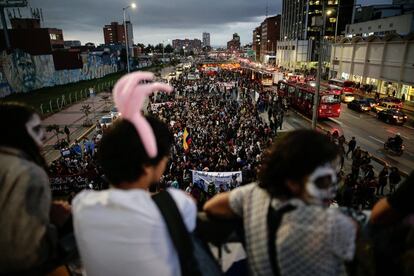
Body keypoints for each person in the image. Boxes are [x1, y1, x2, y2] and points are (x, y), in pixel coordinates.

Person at [72, 72, 196, 276]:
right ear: (147, 166)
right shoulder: (178, 205)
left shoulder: (82, 205)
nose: (166, 161)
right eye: (164, 156)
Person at [204, 130, 356, 276]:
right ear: (293, 182)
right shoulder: (328, 227)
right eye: (323, 180)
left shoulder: (253, 194)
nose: (333, 187)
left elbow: (212, 206)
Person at [0, 103, 71, 274]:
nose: (44, 136)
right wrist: (56, 224)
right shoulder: (28, 173)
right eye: (37, 129)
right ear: (17, 133)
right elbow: (23, 254)